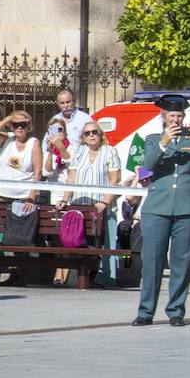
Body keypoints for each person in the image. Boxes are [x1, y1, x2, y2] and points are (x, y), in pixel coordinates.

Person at [133, 94, 190, 327]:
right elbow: (147, 166)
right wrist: (164, 142)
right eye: (171, 116)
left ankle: (176, 310)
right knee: (152, 261)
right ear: (163, 116)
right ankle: (146, 311)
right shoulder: (153, 139)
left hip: (187, 206)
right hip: (158, 207)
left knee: (182, 261)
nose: (176, 120)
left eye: (179, 116)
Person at [60, 119, 122, 287]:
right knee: (79, 243)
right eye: (88, 133)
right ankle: (79, 278)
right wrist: (65, 199)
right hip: (81, 207)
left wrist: (105, 202)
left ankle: (105, 279)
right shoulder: (78, 152)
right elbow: (71, 178)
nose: (92, 135)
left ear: (100, 134)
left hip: (102, 207)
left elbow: (114, 180)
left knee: (105, 244)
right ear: (83, 138)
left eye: (95, 132)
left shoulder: (110, 151)